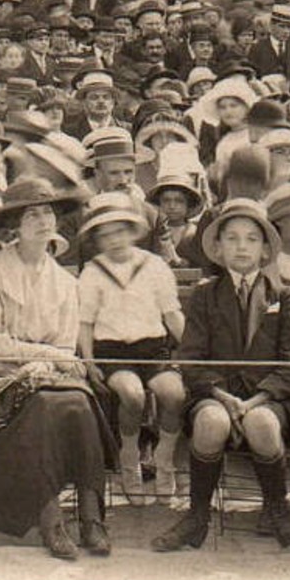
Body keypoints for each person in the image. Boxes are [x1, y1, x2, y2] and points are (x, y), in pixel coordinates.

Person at [151, 199, 290, 557]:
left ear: (264, 250)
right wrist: (220, 394)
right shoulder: (205, 295)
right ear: (219, 248)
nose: (241, 247)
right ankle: (197, 518)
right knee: (211, 421)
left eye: (250, 239)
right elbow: (191, 357)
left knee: (261, 423)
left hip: (269, 399)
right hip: (218, 394)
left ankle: (277, 513)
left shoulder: (283, 296)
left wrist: (257, 399)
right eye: (232, 239)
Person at [0, 178, 114, 559]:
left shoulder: (65, 281)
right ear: (14, 224)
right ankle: (52, 521)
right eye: (32, 214)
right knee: (47, 407)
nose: (43, 221)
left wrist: (51, 361)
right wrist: (38, 357)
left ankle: (91, 516)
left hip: (52, 377)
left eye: (48, 212)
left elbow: (65, 346)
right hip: (0, 380)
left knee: (80, 403)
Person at [75, 195, 185, 501]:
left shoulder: (154, 266)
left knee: (174, 394)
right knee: (133, 395)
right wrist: (89, 361)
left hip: (153, 350)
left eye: (120, 231)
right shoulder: (93, 272)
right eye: (105, 235)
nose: (114, 241)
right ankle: (130, 460)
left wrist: (192, 351)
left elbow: (172, 314)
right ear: (96, 241)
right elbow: (84, 323)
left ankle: (164, 461)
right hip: (112, 352)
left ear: (133, 231)